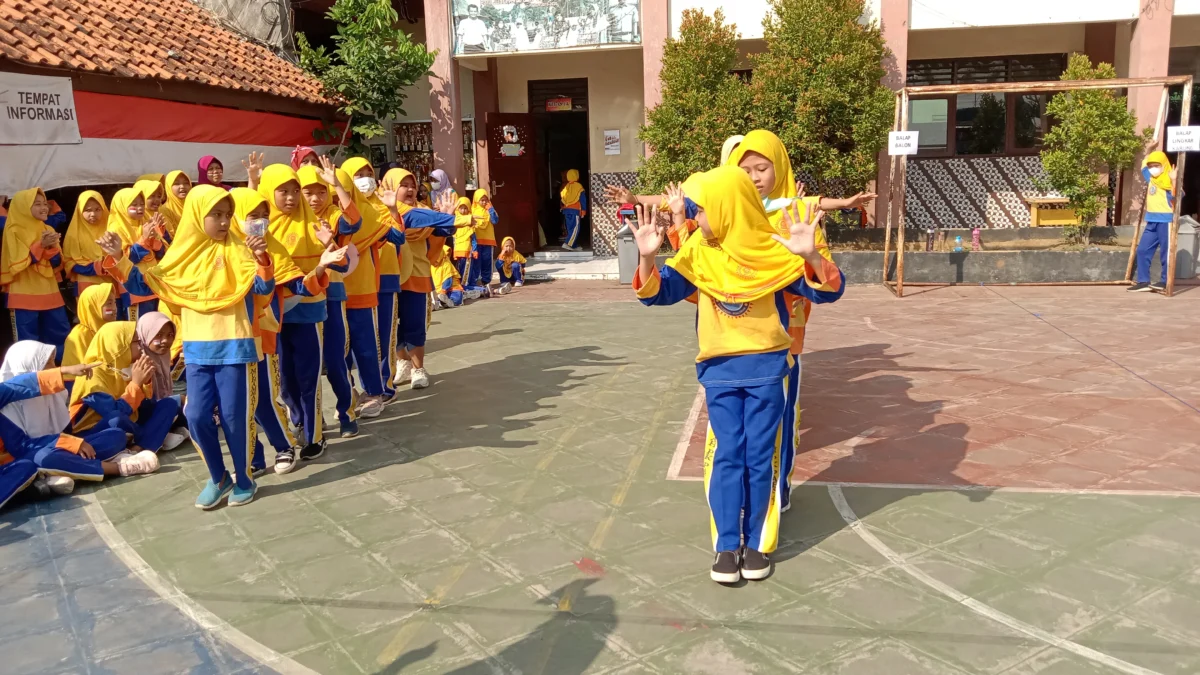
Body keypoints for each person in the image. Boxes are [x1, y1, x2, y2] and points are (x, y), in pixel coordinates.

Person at [629, 166, 842, 584]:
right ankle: (727, 545)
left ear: (726, 207)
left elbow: (827, 290)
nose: (694, 217)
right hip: (718, 372)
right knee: (729, 455)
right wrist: (648, 256)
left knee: (760, 457)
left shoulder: (772, 249)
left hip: (767, 370)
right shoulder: (698, 251)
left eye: (699, 209)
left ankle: (757, 544)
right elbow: (658, 294)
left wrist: (812, 255)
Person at [102, 185, 343, 505]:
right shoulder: (180, 256)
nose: (224, 220)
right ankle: (219, 477)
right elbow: (144, 282)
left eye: (228, 214)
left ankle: (244, 478)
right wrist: (119, 255)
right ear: (196, 216)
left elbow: (263, 287)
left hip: (237, 347)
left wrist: (262, 259)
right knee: (198, 416)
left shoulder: (240, 250)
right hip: (198, 350)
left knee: (236, 417)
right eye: (216, 214)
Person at [726, 129, 847, 513]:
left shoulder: (797, 214)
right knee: (734, 434)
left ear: (779, 168)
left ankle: (776, 492)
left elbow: (826, 282)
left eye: (762, 168)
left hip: (782, 340)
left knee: (777, 422)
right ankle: (736, 499)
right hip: (732, 339)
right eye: (745, 171)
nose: (754, 177)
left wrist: (809, 256)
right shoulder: (730, 215)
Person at [257, 164, 353, 468]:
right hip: (273, 315)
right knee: (284, 378)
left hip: (308, 309)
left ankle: (314, 435)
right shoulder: (261, 230)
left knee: (309, 374)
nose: (291, 197)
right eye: (283, 191)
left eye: (294, 190)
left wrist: (328, 245)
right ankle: (297, 421)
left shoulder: (314, 223)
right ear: (268, 193)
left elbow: (340, 264)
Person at [0, 342, 156, 490]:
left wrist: (73, 443)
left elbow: (68, 433)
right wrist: (69, 443)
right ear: (27, 368)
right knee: (44, 458)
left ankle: (64, 471)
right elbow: (21, 447)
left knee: (115, 435)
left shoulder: (53, 395)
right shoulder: (8, 408)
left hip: (62, 448)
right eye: (48, 364)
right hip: (36, 453)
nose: (54, 368)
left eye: (54, 363)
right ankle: (119, 467)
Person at [229, 187, 308, 475]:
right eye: (253, 216)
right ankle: (253, 456)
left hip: (260, 333)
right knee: (235, 401)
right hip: (226, 335)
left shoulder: (271, 246)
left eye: (265, 216)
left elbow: (279, 283)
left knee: (262, 395)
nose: (260, 222)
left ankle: (284, 445)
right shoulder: (224, 248)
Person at [337, 159, 408, 412]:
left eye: (369, 173)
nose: (365, 178)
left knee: (379, 337)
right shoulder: (334, 211)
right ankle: (350, 393)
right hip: (339, 286)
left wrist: (391, 209)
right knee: (343, 344)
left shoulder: (375, 207)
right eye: (358, 174)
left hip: (381, 278)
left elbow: (398, 236)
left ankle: (382, 387)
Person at [298, 166, 363, 436]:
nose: (314, 198)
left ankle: (346, 413)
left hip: (332, 296)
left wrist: (337, 184)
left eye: (320, 192)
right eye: (308, 192)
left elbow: (354, 221)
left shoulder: (334, 216)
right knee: (303, 366)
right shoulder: (290, 220)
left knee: (336, 359)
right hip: (299, 300)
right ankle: (308, 419)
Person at [381, 168, 457, 391]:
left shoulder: (424, 212)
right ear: (389, 187)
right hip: (390, 275)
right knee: (392, 326)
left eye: (412, 184)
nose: (410, 189)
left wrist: (446, 219)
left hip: (418, 274)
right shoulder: (381, 213)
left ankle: (418, 368)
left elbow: (440, 234)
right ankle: (403, 362)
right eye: (403, 185)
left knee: (415, 324)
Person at [66, 321, 181, 459]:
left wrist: (146, 381)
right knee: (117, 421)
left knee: (168, 404)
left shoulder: (121, 366)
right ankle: (154, 436)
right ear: (119, 345)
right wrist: (136, 383)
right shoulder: (91, 375)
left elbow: (145, 405)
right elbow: (116, 411)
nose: (141, 347)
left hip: (128, 424)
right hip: (93, 432)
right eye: (136, 342)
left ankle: (139, 447)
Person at [0, 189, 70, 360]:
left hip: (50, 293)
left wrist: (51, 248)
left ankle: (63, 376)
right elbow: (16, 263)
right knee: (27, 345)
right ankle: (32, 382)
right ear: (23, 207)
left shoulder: (48, 228)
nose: (44, 208)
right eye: (37, 204)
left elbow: (56, 265)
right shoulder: (13, 229)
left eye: (44, 203)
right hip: (23, 295)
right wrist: (41, 245)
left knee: (60, 336)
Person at [108, 187, 165, 320]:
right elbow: (124, 259)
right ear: (122, 206)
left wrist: (157, 236)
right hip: (133, 288)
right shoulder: (116, 228)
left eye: (141, 204)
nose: (140, 208)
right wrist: (144, 240)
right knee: (138, 328)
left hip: (154, 282)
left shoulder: (146, 221)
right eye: (134, 205)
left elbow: (161, 253)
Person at [1131, 150, 1177, 292]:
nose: (1153, 168)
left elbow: (1178, 199)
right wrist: (1149, 149)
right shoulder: (1151, 178)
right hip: (1151, 220)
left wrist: (1174, 180)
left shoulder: (1169, 182)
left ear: (1164, 165)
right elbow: (1143, 166)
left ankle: (1165, 281)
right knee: (1143, 250)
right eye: (1152, 165)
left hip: (1166, 222)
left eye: (1157, 165)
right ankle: (1143, 281)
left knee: (1166, 253)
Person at [61, 283, 118, 394]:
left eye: (115, 303)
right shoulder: (79, 335)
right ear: (93, 307)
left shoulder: (112, 330)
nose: (115, 308)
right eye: (109, 304)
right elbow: (74, 379)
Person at [62, 190, 115, 299]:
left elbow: (121, 254)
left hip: (111, 283)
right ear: (80, 211)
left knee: (113, 313)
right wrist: (91, 269)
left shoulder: (112, 229)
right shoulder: (73, 234)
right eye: (88, 210)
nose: (93, 214)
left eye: (98, 209)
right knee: (89, 313)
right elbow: (67, 261)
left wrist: (107, 265)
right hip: (85, 283)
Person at [472, 189, 499, 292]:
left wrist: (490, 209)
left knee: (487, 261)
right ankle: (475, 282)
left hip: (488, 241)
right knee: (476, 262)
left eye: (485, 200)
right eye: (481, 200)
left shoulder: (490, 209)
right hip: (476, 241)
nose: (484, 202)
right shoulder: (472, 210)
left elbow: (495, 220)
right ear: (476, 200)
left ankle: (486, 282)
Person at [560, 169, 588, 251]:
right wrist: (583, 211)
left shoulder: (566, 187)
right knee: (576, 229)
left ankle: (574, 245)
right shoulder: (579, 187)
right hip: (575, 211)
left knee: (570, 228)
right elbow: (583, 200)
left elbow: (562, 199)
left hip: (566, 210)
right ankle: (567, 243)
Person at [431, 243, 466, 308]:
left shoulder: (446, 264)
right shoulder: (431, 266)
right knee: (434, 297)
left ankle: (448, 302)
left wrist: (443, 292)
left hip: (452, 290)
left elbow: (448, 280)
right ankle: (438, 303)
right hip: (438, 292)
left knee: (457, 298)